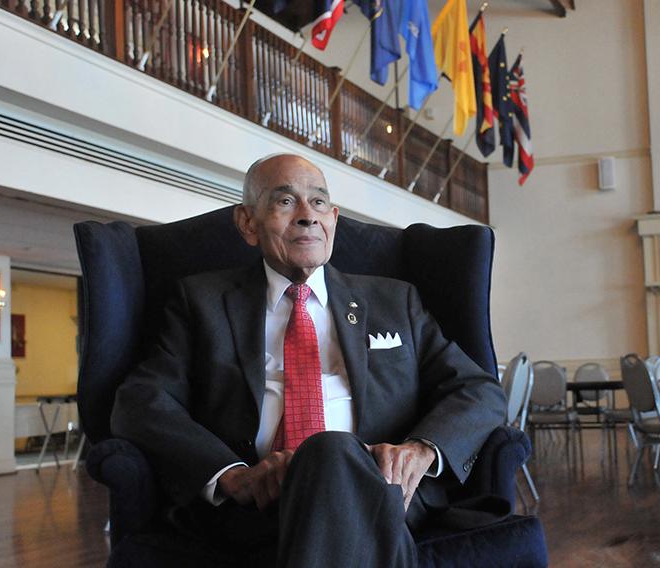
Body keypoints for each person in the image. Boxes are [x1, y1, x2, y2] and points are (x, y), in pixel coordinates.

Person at [111, 153, 507, 566]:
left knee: (333, 452)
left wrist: (421, 450)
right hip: (261, 504)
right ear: (248, 223)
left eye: (318, 203)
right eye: (285, 201)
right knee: (330, 453)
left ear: (334, 218)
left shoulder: (393, 301)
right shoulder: (202, 302)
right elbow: (141, 401)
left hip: (389, 489)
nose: (307, 216)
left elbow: (477, 388)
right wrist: (231, 475)